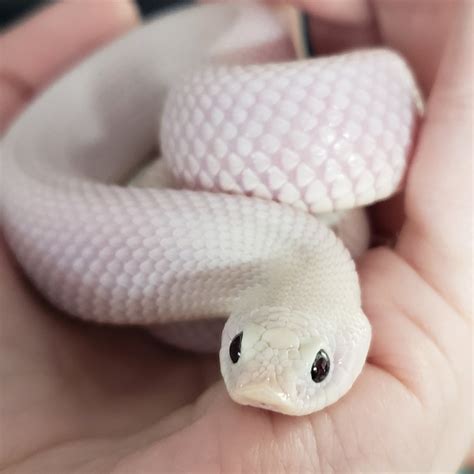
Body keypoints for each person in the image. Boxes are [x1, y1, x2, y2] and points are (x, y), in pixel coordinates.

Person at [0, 0, 472, 471]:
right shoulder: (315, 255)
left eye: (319, 368)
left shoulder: (306, 262)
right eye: (238, 350)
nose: (263, 385)